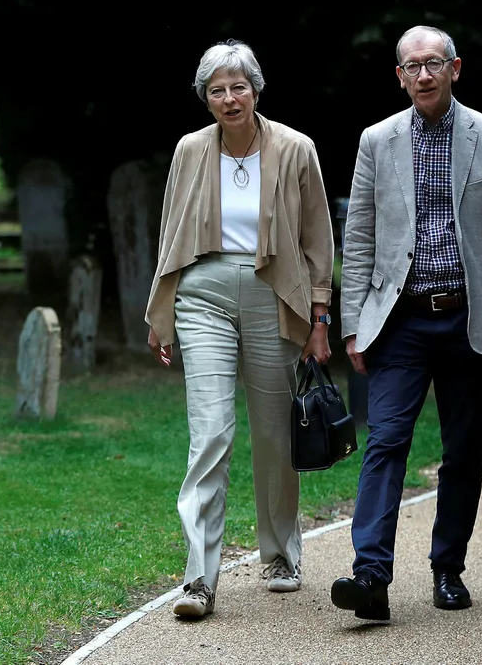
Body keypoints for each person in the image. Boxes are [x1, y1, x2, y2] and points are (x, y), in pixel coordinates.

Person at [333, 25, 482, 621]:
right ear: (399, 77)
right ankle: (370, 575)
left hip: (471, 319)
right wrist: (354, 322)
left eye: (433, 63)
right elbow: (360, 236)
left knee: (462, 451)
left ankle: (447, 567)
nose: (423, 75)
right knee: (385, 442)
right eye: (411, 67)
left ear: (456, 68)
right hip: (398, 321)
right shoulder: (377, 141)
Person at [144, 39, 335, 619]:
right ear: (206, 99)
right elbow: (171, 231)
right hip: (202, 293)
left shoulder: (297, 149)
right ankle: (199, 578)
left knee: (276, 435)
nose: (230, 99)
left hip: (275, 294)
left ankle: (280, 553)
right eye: (217, 90)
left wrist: (320, 317)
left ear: (256, 90)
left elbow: (316, 238)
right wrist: (162, 312)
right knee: (210, 432)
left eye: (239, 87)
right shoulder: (189, 150)